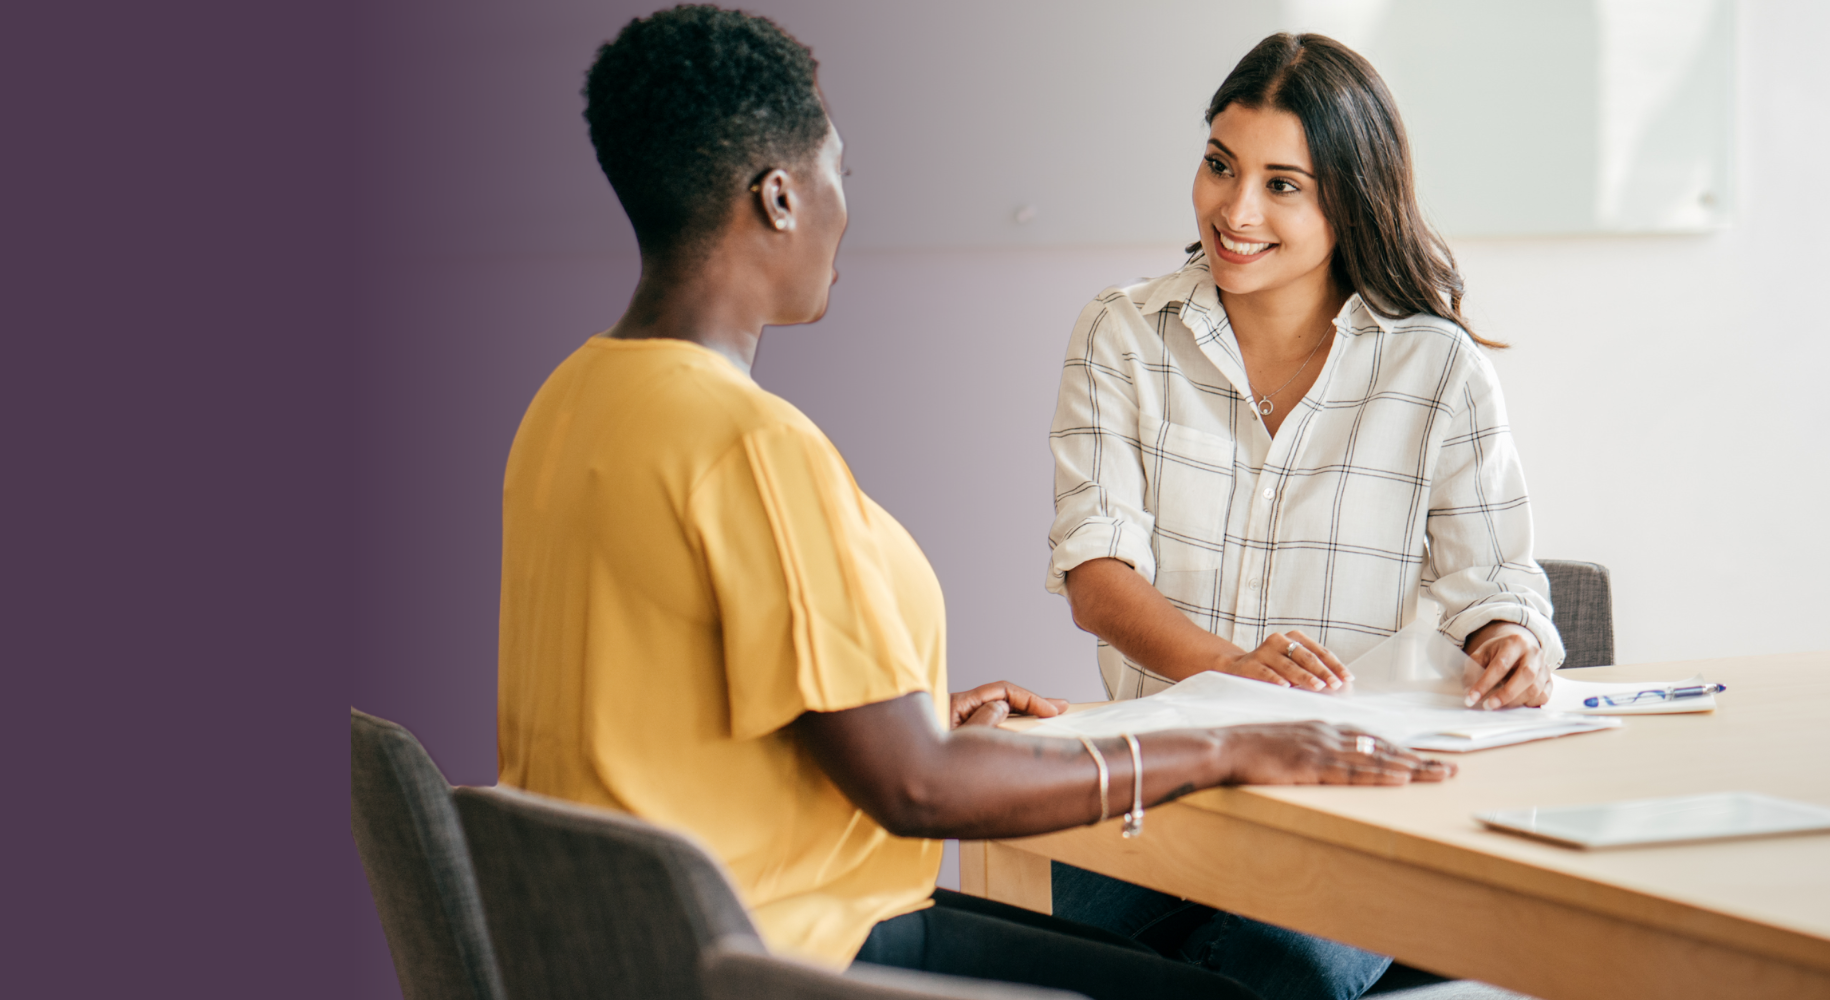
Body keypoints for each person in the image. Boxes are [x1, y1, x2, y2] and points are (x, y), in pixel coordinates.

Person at [500, 9, 1453, 1000]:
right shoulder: (749, 446)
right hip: (783, 951)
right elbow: (915, 789)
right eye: (839, 172)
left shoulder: (570, 402)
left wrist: (906, 709)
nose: (844, 203)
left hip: (624, 944)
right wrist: (1224, 740)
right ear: (779, 197)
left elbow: (662, 699)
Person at [1041, 33, 1562, 1000]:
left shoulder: (1438, 368)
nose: (1235, 211)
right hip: (1158, 792)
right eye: (1220, 166)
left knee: (1275, 973)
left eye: (1285, 184)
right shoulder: (1121, 333)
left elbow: (1493, 580)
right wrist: (1234, 675)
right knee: (1068, 965)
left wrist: (1508, 638)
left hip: (1355, 802)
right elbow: (1097, 577)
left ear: (1350, 199)